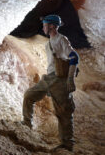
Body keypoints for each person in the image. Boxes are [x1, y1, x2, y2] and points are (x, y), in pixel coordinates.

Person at [22, 14, 79, 151]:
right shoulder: (49, 42)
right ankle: (26, 124)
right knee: (29, 95)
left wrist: (70, 78)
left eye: (45, 24)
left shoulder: (61, 40)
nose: (43, 27)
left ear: (52, 26)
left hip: (60, 80)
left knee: (64, 112)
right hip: (50, 78)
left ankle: (67, 144)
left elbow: (74, 57)